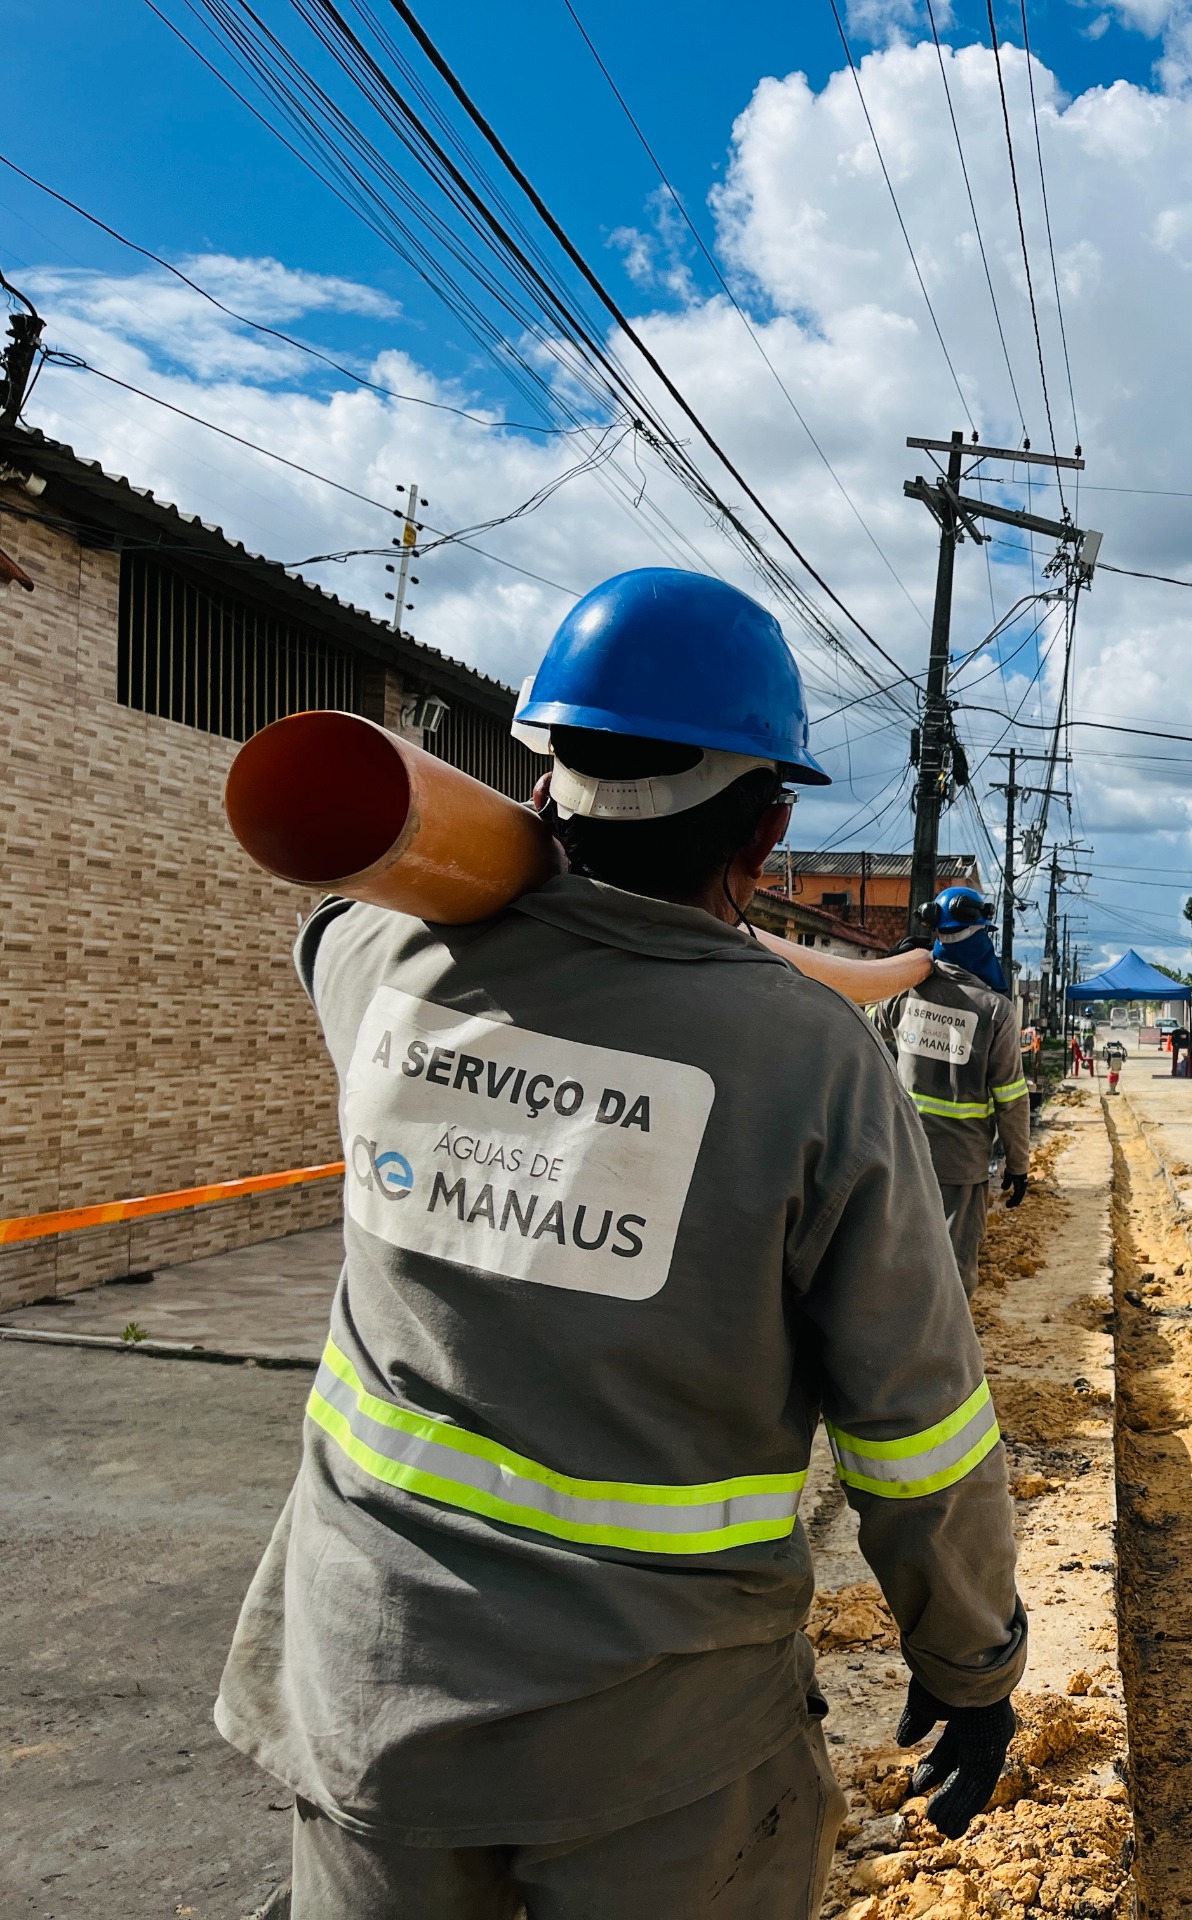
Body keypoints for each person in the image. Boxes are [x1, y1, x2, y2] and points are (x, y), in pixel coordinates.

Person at [216, 568, 1026, 1918]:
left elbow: (330, 922)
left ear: (539, 779)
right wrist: (969, 1663)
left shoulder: (385, 969)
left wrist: (523, 869)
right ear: (768, 832)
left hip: (364, 1684)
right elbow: (915, 1429)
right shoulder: (810, 1063)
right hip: (659, 1746)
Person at [875, 887, 1032, 1297]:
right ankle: (944, 1355)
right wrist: (1018, 1163)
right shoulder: (995, 1010)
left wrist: (894, 965)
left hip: (902, 1153)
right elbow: (1011, 1097)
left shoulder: (908, 993)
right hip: (961, 1164)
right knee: (954, 1273)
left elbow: (868, 1016)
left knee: (898, 1259)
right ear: (980, 936)